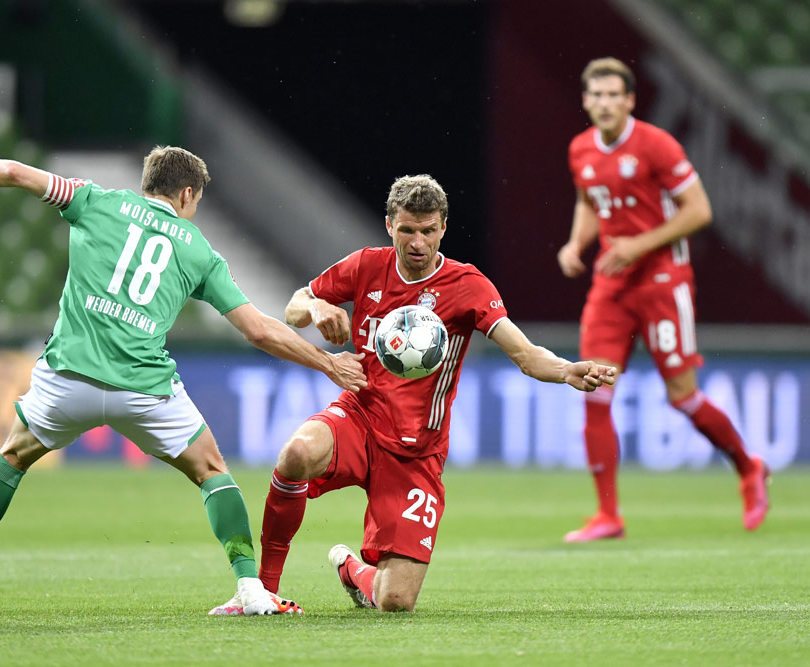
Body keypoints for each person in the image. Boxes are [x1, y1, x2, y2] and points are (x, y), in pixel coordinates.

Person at [0, 145, 367, 615]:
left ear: (149, 182)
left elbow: (12, 171)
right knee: (212, 472)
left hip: (70, 377)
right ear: (187, 193)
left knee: (10, 458)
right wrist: (328, 363)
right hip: (144, 390)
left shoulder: (93, 200)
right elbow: (258, 329)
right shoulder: (199, 252)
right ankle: (251, 588)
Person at [207, 174, 616, 614]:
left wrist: (568, 370)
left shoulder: (468, 286)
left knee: (395, 602)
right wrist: (318, 305)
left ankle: (352, 570)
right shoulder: (366, 266)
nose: (417, 242)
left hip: (417, 453)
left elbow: (525, 354)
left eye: (427, 230)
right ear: (389, 226)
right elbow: (294, 305)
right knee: (296, 454)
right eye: (407, 230)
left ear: (443, 227)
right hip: (360, 416)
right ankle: (262, 591)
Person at [556, 57, 770, 542]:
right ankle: (608, 515)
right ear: (586, 101)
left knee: (683, 397)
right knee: (594, 389)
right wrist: (576, 244)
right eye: (597, 95)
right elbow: (590, 201)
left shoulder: (655, 144)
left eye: (615, 94)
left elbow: (700, 211)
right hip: (612, 287)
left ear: (630, 100)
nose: (606, 103)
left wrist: (638, 244)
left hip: (662, 283)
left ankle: (749, 467)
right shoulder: (580, 149)